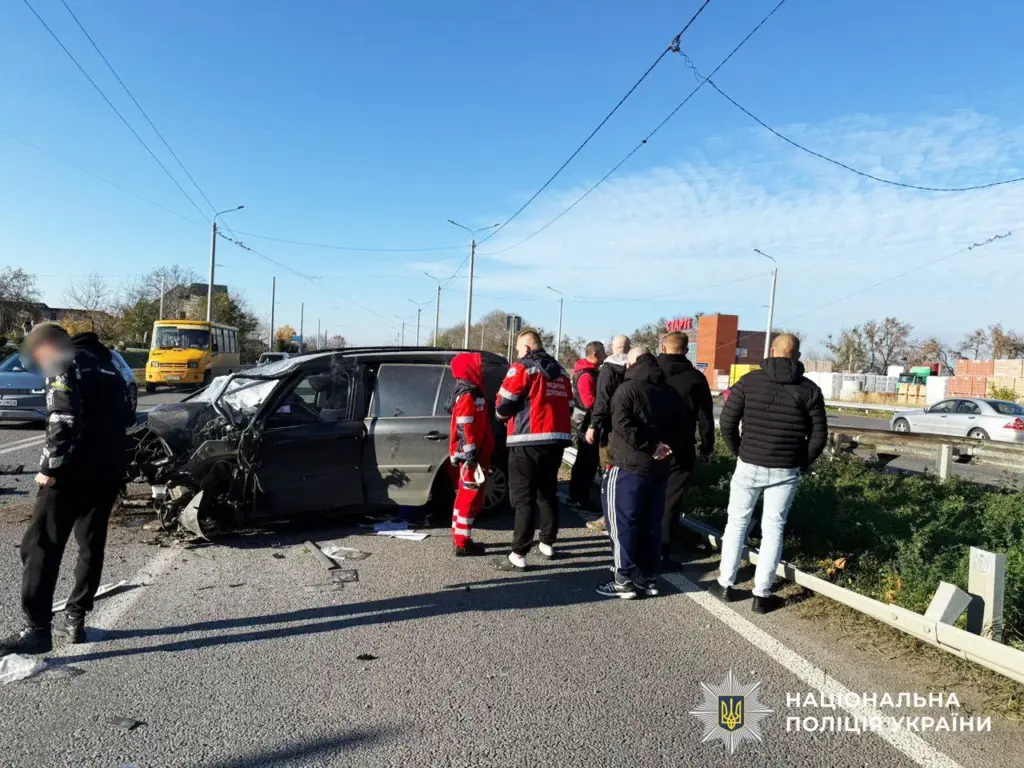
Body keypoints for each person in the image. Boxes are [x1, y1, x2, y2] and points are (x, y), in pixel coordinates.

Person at [0, 324, 132, 655]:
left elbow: (62, 415)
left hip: (71, 470)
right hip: (108, 469)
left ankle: (36, 630)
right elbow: (127, 416)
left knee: (39, 545)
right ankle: (76, 618)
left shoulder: (65, 360)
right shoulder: (111, 367)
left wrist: (49, 467)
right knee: (91, 543)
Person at [712, 333, 828, 613]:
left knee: (736, 524)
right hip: (786, 469)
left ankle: (725, 584)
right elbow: (819, 435)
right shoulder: (809, 389)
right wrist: (801, 461)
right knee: (773, 528)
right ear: (796, 356)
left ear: (772, 351)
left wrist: (740, 451)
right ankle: (762, 595)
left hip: (749, 464)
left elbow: (727, 422)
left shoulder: (749, 382)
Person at [597, 346, 685, 600]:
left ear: (633, 363)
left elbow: (622, 424)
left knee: (622, 523)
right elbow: (683, 425)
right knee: (650, 524)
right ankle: (648, 577)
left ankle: (623, 578)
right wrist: (666, 446)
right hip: (659, 468)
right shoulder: (669, 391)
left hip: (628, 466)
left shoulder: (627, 388)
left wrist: (650, 445)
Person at [495, 330, 573, 570]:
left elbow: (504, 403)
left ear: (527, 348)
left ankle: (518, 554)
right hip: (556, 440)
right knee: (548, 493)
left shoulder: (522, 367)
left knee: (523, 498)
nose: (518, 354)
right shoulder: (560, 370)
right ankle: (547, 543)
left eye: (519, 349)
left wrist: (499, 415)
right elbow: (569, 406)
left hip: (527, 440)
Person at [656, 331, 715, 569]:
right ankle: (663, 552)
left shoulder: (650, 373)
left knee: (643, 494)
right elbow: (706, 417)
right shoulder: (695, 378)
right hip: (681, 448)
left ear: (662, 347)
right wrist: (707, 447)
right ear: (686, 350)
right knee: (671, 500)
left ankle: (636, 547)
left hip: (647, 446)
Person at [446, 352, 494, 557]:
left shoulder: (472, 392)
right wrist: (471, 456)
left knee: (464, 496)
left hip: (474, 455)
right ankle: (463, 542)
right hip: (471, 457)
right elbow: (465, 427)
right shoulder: (468, 394)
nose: (481, 369)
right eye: (478, 366)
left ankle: (460, 537)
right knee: (469, 496)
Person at [584, 334, 630, 532]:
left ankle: (608, 518)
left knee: (609, 474)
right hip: (633, 431)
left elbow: (602, 400)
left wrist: (594, 425)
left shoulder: (608, 369)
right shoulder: (635, 368)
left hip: (611, 430)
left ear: (612, 348)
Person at [567, 341, 605, 511]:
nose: (605, 355)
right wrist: (605, 404)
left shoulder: (587, 372)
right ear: (595, 355)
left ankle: (575, 495)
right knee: (587, 462)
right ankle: (581, 498)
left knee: (583, 460)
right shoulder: (586, 375)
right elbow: (589, 400)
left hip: (584, 422)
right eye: (603, 352)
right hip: (586, 424)